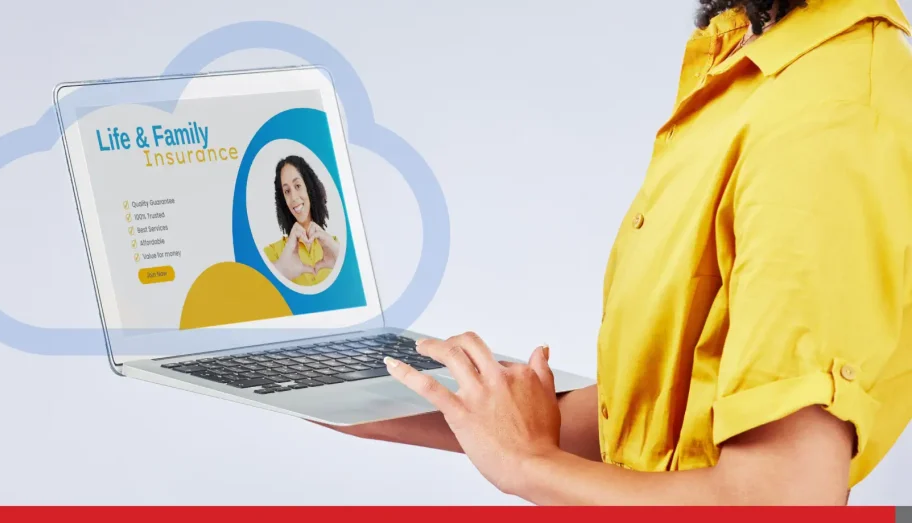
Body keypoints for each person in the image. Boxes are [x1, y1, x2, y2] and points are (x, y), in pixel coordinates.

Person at [323, 0, 912, 505]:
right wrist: (370, 399)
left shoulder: (828, 119)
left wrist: (528, 465)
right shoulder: (754, 61)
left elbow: (783, 496)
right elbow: (666, 426)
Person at [263, 155, 341, 286]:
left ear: (309, 188)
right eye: (287, 191)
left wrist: (339, 259)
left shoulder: (333, 245)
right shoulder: (272, 253)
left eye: (297, 186)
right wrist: (281, 270)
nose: (293, 197)